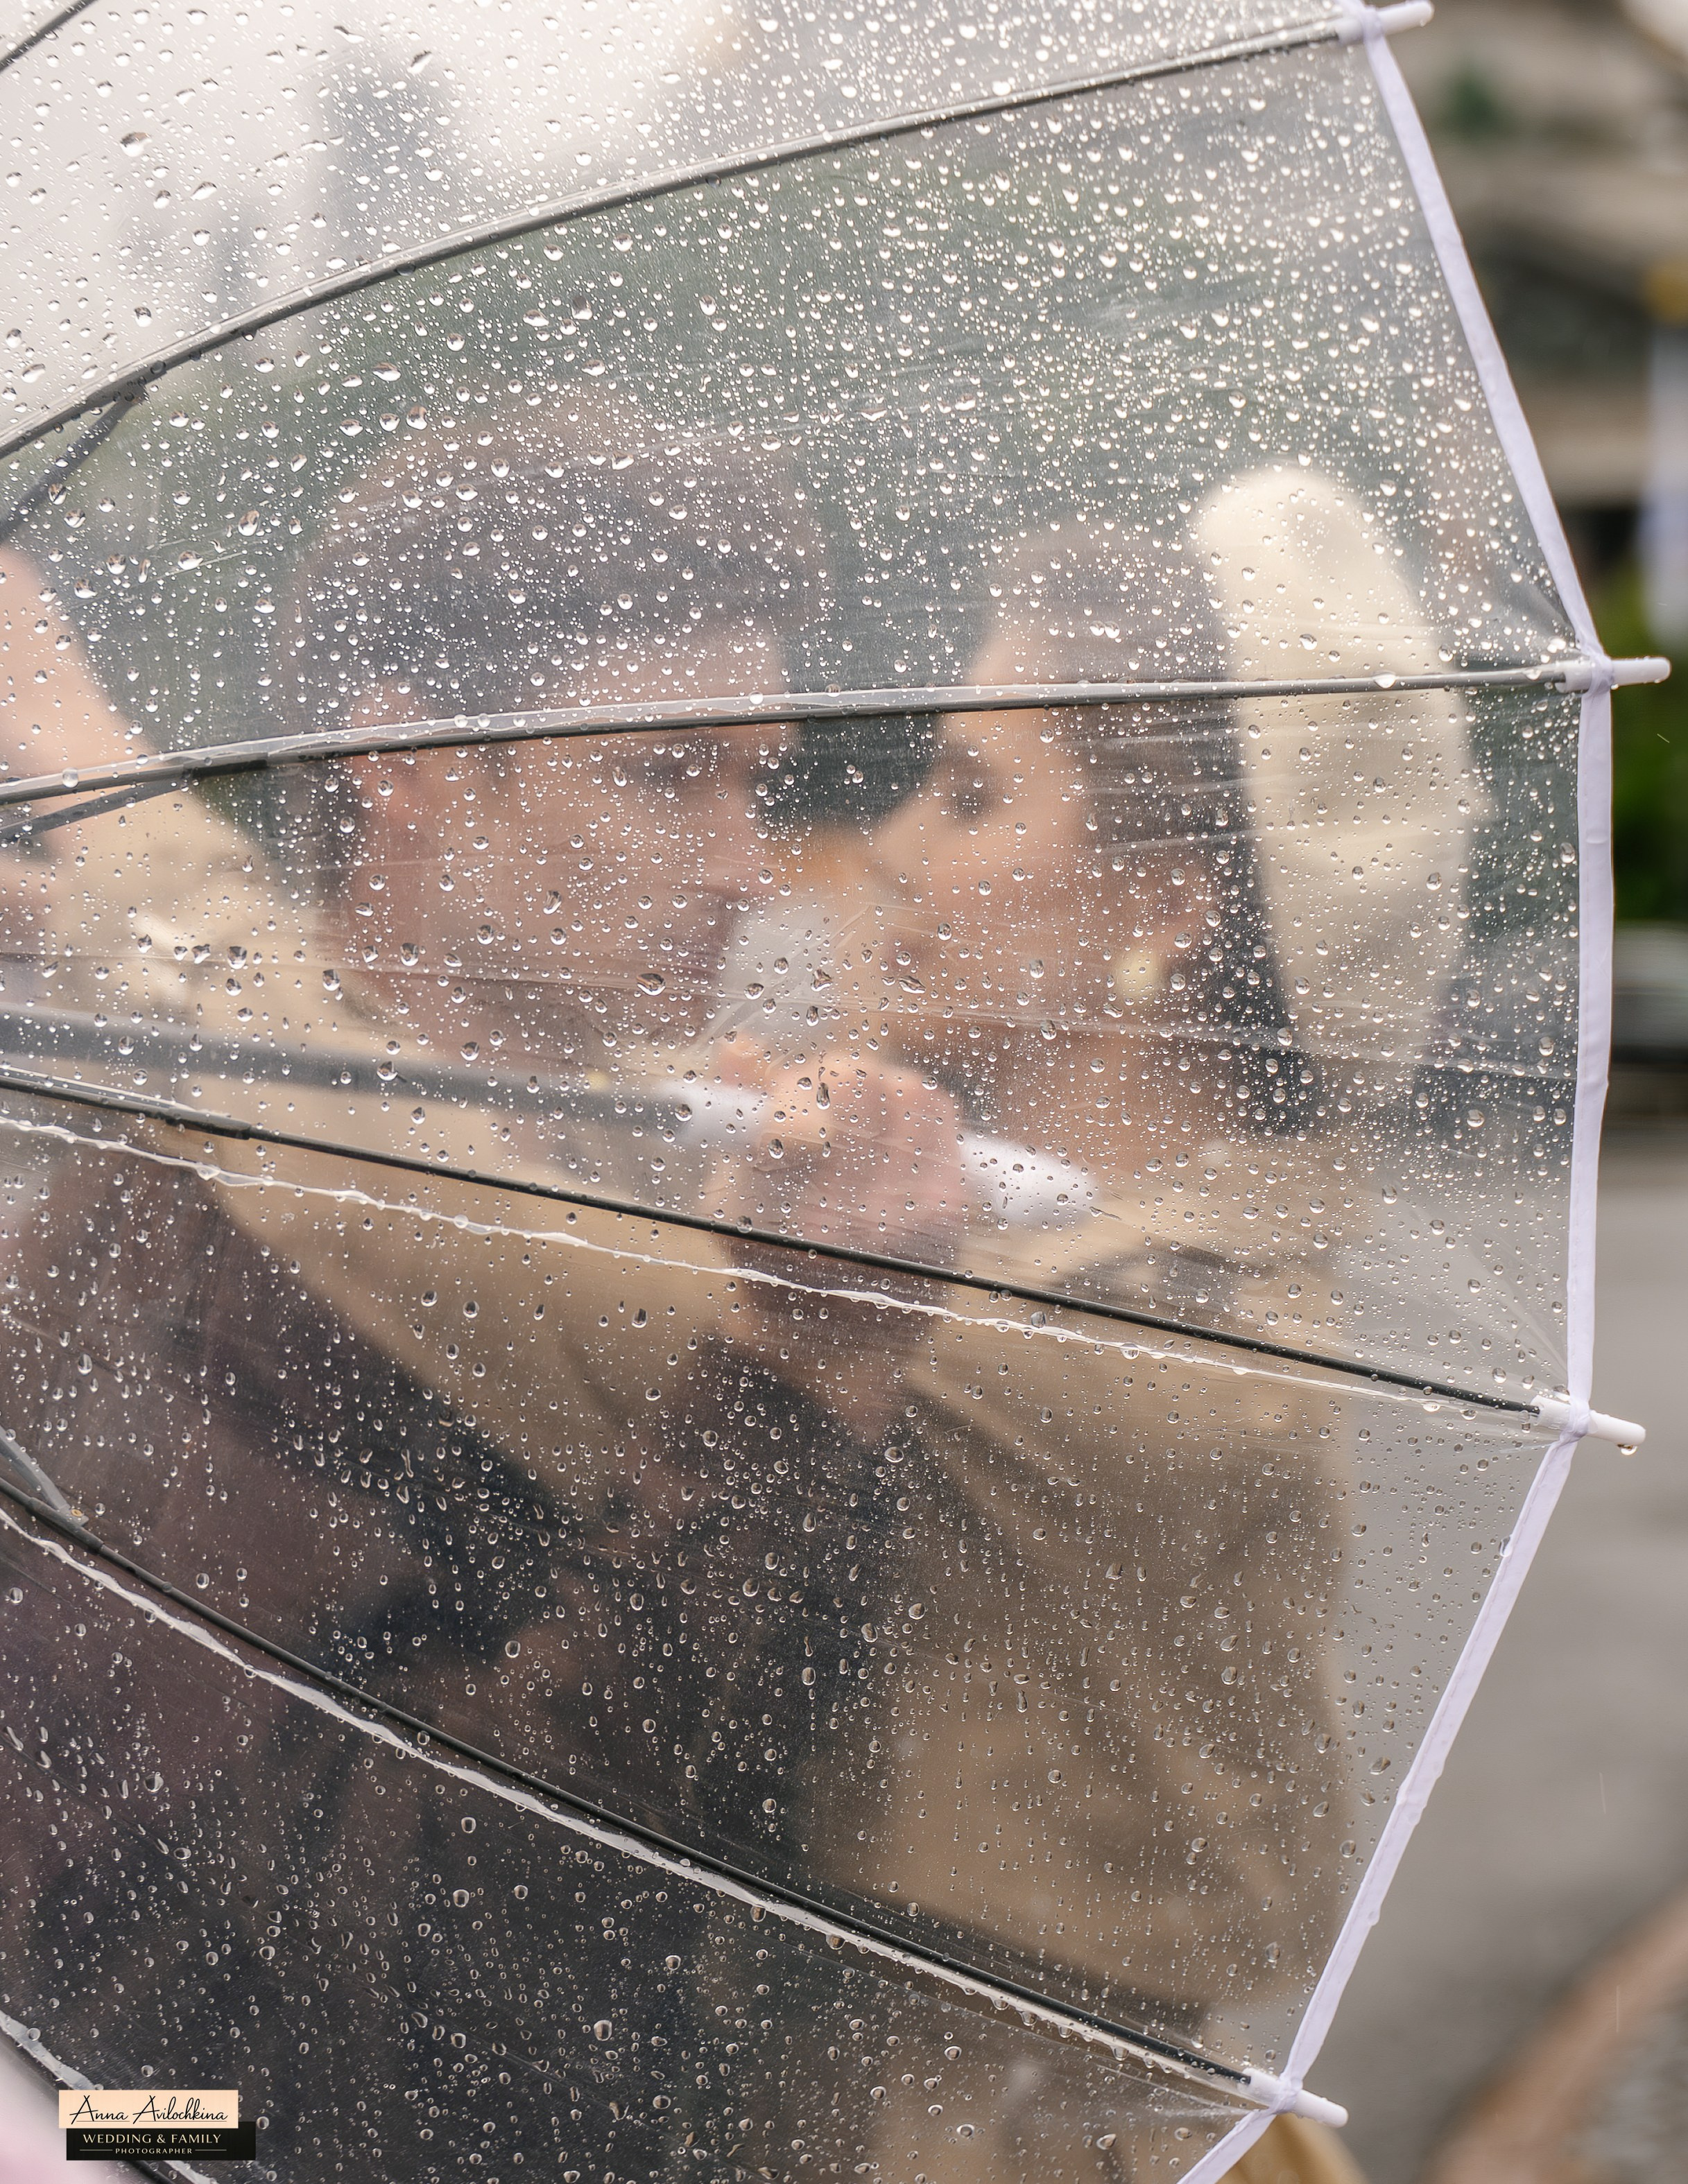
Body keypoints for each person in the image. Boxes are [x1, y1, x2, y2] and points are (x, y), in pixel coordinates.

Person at [700, 474, 1476, 2181]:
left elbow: (505, 1263)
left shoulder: (1161, 1355)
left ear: (1164, 909)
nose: (893, 848)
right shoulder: (1029, 1234)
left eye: (974, 795)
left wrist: (107, 819)